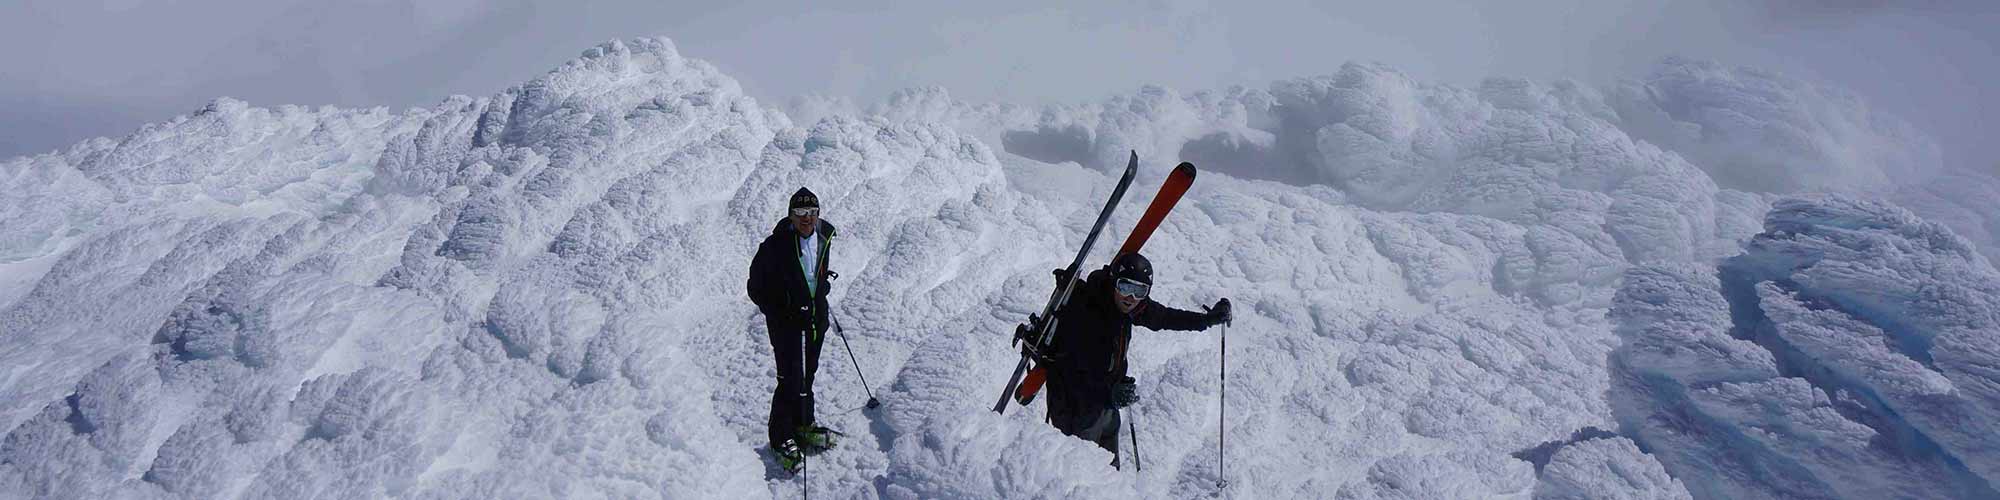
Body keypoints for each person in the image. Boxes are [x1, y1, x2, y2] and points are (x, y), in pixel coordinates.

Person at [1042, 252, 1230, 468]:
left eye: (1139, 291)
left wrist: (1206, 320)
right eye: (1125, 287)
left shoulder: (1125, 306)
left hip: (1106, 406)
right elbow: (1070, 373)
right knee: (1082, 476)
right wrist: (1109, 393)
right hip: (1077, 413)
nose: (1130, 297)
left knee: (1109, 477)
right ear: (1114, 282)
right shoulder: (1087, 316)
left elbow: (1165, 317)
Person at [746, 187, 839, 473]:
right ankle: (780, 437)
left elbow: (814, 274)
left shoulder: (823, 236)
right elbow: (756, 288)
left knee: (807, 374)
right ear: (790, 215)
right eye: (800, 213)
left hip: (814, 320)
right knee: (790, 378)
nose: (806, 218)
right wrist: (785, 310)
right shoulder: (774, 246)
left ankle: (802, 424)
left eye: (811, 212)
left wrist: (821, 287)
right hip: (787, 325)